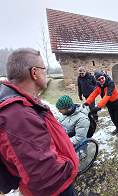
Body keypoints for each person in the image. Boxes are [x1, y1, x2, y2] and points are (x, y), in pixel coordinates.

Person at [0, 48, 78, 195]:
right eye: (44, 68)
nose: (46, 72)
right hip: (57, 189)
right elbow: (45, 175)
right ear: (34, 72)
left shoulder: (23, 105)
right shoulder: (17, 115)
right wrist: (69, 164)